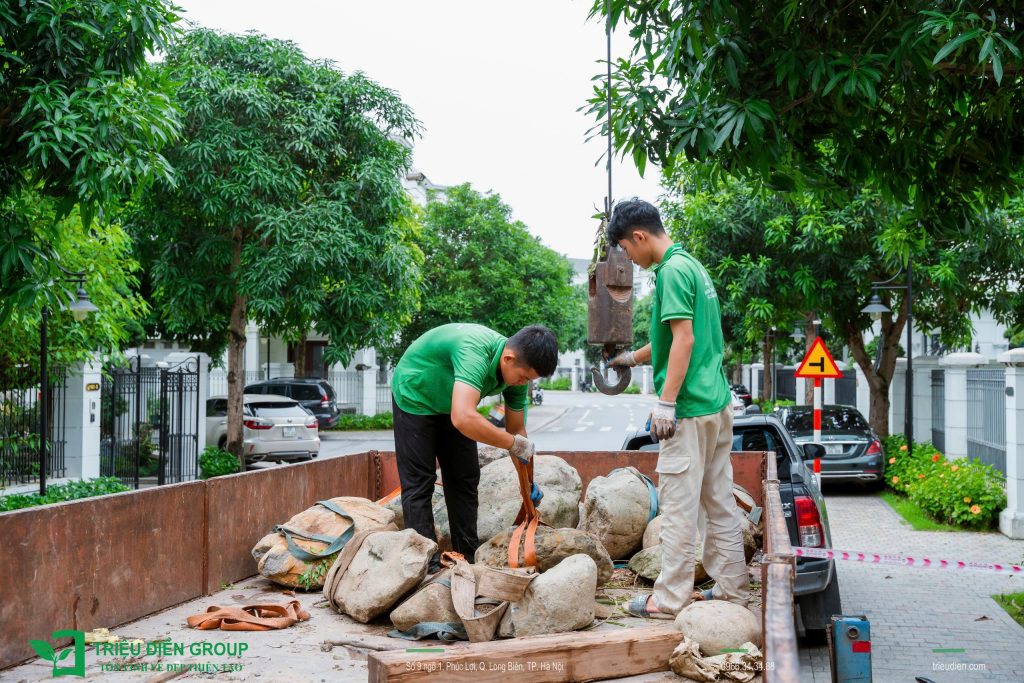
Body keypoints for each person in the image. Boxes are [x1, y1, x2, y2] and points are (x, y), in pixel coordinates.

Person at [605, 198, 750, 618]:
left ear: (639, 236)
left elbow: (684, 340)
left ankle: (669, 599)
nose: (629, 259)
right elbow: (674, 340)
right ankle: (734, 590)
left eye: (626, 249)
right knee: (719, 504)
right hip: (716, 406)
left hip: (688, 411)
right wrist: (631, 359)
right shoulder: (693, 267)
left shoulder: (669, 272)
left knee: (679, 509)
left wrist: (665, 404)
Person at [390, 323, 558, 568]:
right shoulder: (475, 351)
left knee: (465, 479)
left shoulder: (517, 374)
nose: (523, 383)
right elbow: (464, 418)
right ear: (508, 358)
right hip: (415, 393)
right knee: (419, 482)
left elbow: (516, 433)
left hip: (453, 404)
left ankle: (467, 558)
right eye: (523, 377)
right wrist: (512, 444)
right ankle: (426, 566)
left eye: (529, 380)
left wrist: (528, 480)